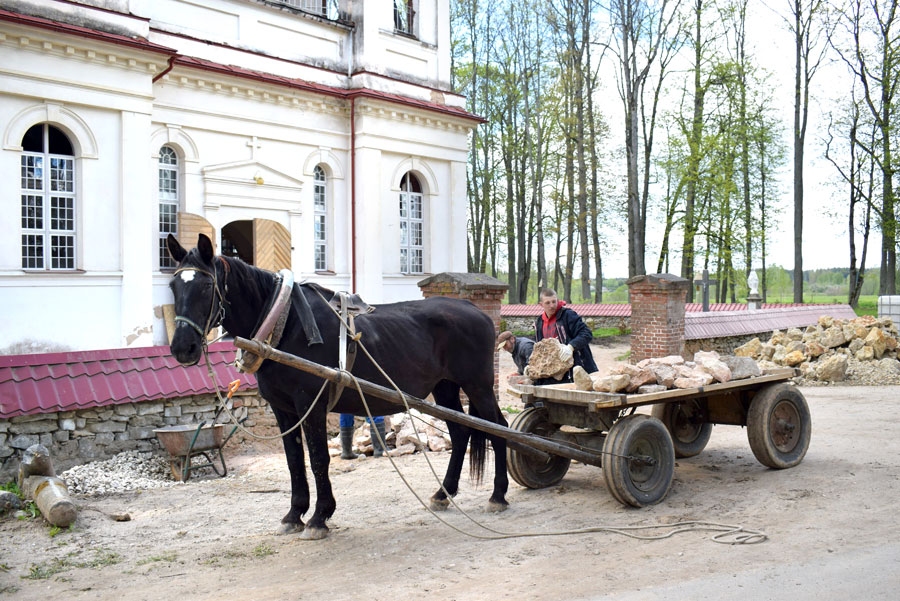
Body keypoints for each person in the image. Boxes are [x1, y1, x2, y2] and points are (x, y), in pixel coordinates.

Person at [532, 288, 598, 382]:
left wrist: (571, 347)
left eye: (554, 301)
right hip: (552, 371)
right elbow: (539, 349)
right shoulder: (539, 322)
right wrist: (533, 367)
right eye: (547, 303)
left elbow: (586, 333)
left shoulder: (568, 315)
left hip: (574, 370)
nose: (552, 305)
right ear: (541, 304)